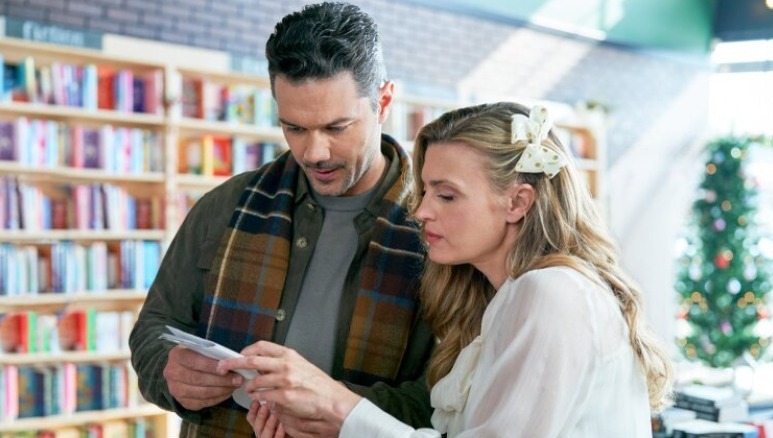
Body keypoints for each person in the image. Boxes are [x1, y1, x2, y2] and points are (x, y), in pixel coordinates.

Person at [218, 102, 676, 437]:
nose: (420, 212)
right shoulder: (505, 300)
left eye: (447, 195)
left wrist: (342, 408)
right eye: (424, 192)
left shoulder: (551, 294)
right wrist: (325, 426)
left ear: (518, 202)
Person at [129, 3, 435, 436]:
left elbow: (448, 403)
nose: (314, 153)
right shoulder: (225, 205)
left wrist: (336, 410)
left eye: (336, 127)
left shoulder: (438, 228)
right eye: (293, 127)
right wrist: (170, 372)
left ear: (383, 101)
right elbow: (154, 328)